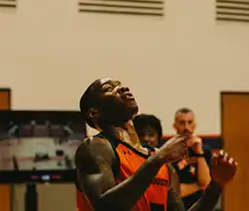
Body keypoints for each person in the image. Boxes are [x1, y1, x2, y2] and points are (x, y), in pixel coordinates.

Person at [75, 77, 237, 211]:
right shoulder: (96, 147)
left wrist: (216, 185)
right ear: (93, 112)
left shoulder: (159, 161)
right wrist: (158, 158)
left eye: (121, 85)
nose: (123, 88)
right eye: (109, 88)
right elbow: (106, 208)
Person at [172, 108, 212, 209]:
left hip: (200, 205)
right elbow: (175, 192)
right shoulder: (169, 152)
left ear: (194, 125)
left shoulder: (204, 150)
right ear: (175, 126)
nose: (186, 127)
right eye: (182, 123)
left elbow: (207, 184)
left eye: (189, 122)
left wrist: (199, 153)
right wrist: (198, 186)